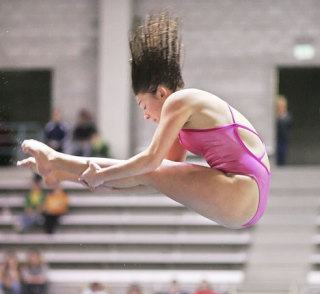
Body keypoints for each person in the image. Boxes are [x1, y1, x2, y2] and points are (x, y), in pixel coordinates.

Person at [18, 12, 270, 229]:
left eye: (143, 104)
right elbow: (151, 177)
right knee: (154, 174)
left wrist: (95, 174)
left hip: (243, 191)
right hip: (244, 200)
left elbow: (150, 162)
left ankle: (55, 158)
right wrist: (69, 177)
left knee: (151, 168)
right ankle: (58, 167)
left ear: (161, 93)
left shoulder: (180, 101)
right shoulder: (182, 118)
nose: (146, 115)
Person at [276, 95, 292, 166]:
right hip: (276, 140)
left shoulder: (286, 116)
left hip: (283, 139)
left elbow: (288, 125)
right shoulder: (275, 116)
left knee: (282, 154)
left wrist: (281, 117)